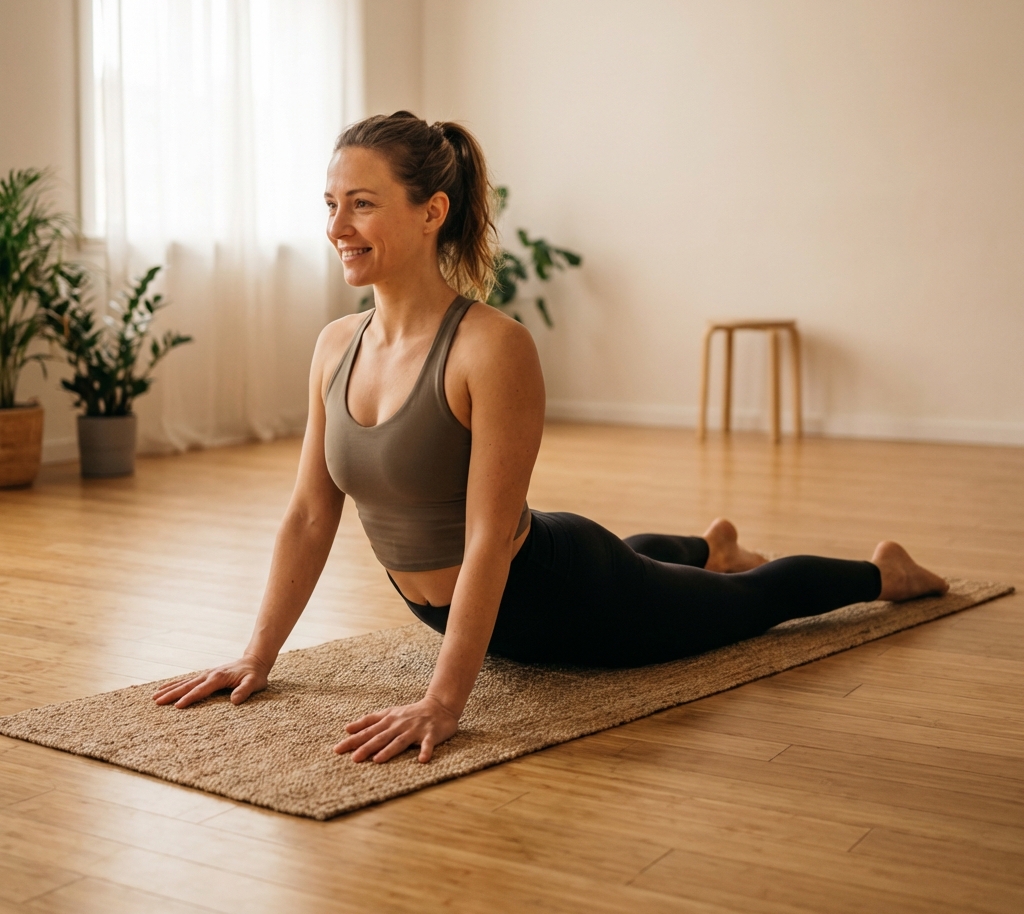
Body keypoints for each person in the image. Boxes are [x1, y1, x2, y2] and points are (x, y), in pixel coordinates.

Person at [154, 111, 949, 764]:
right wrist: (258, 656)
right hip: (463, 603)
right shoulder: (335, 345)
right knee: (670, 569)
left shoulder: (490, 347)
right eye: (329, 203)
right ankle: (708, 543)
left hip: (569, 595)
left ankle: (881, 573)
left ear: (431, 211)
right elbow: (308, 516)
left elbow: (491, 536)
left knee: (748, 605)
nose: (337, 226)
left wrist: (444, 698)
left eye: (361, 203)